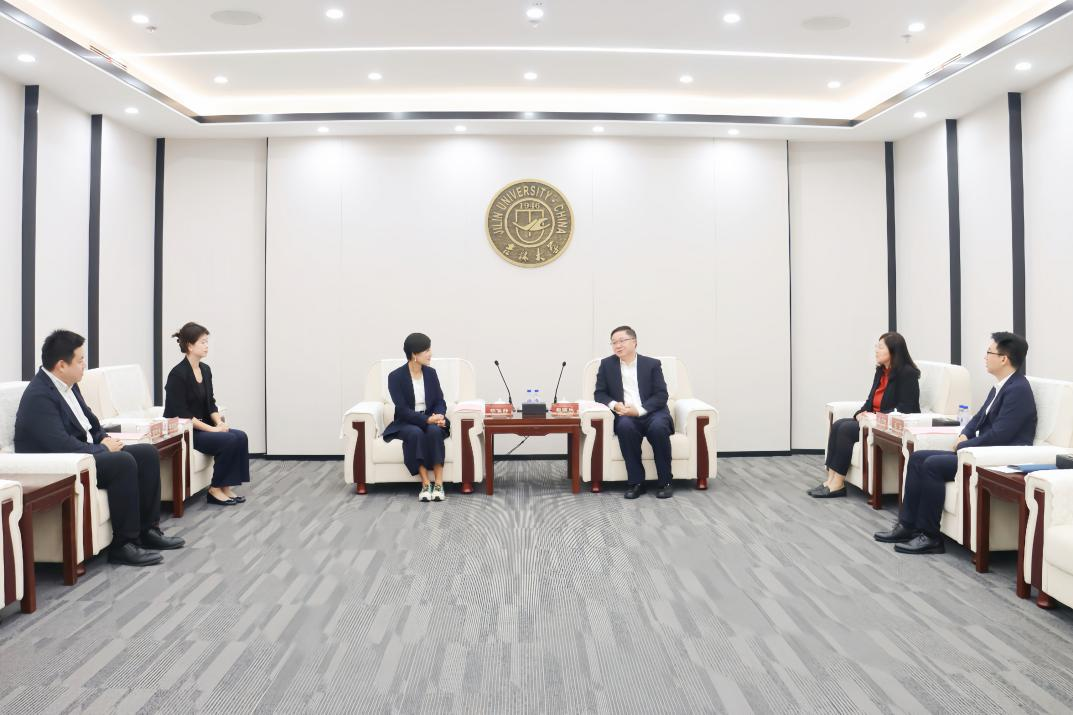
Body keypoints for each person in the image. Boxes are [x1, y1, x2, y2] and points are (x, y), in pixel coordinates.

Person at [14, 330, 184, 566]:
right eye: (80, 360)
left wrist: (103, 439)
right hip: (64, 464)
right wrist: (103, 450)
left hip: (86, 452)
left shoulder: (70, 385)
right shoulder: (39, 396)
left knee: (146, 453)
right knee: (122, 462)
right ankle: (123, 545)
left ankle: (148, 531)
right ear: (61, 365)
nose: (85, 364)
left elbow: (91, 424)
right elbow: (61, 445)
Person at [875, 332, 1037, 554]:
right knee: (917, 458)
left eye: (989, 352)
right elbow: (979, 417)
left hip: (996, 460)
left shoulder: (1018, 390)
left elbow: (1001, 435)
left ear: (1003, 359)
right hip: (978, 452)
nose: (985, 357)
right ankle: (907, 525)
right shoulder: (1001, 386)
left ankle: (930, 536)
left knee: (932, 465)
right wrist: (965, 434)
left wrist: (965, 445)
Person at [809, 332, 921, 498]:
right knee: (838, 424)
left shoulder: (907, 374)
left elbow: (906, 408)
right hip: (872, 421)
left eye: (880, 347)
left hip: (888, 425)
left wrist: (874, 417)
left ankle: (838, 484)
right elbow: (870, 400)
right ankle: (830, 481)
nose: (876, 350)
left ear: (893, 350)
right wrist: (860, 414)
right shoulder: (881, 371)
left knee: (845, 430)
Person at [163, 322, 250, 506]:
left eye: (207, 342)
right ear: (190, 346)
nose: (206, 346)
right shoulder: (177, 375)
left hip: (205, 427)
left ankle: (225, 486)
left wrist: (219, 423)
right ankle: (215, 489)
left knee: (241, 436)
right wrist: (213, 430)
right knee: (229, 440)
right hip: (187, 432)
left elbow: (210, 403)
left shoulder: (205, 370)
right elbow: (182, 414)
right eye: (202, 342)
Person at [594, 325, 674, 499]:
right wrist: (615, 405)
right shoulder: (607, 365)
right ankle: (637, 483)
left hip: (653, 412)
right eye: (614, 342)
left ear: (634, 342)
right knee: (625, 427)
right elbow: (599, 393)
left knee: (658, 428)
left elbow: (661, 395)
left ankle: (665, 482)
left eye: (622, 340)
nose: (617, 345)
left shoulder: (651, 364)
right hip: (624, 413)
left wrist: (639, 411)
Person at [383, 333, 450, 502]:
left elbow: (440, 400)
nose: (430, 354)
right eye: (426, 350)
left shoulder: (431, 373)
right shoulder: (395, 377)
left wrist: (439, 415)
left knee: (434, 431)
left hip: (430, 417)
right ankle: (426, 484)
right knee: (415, 433)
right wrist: (426, 420)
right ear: (414, 354)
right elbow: (402, 409)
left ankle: (439, 484)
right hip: (407, 421)